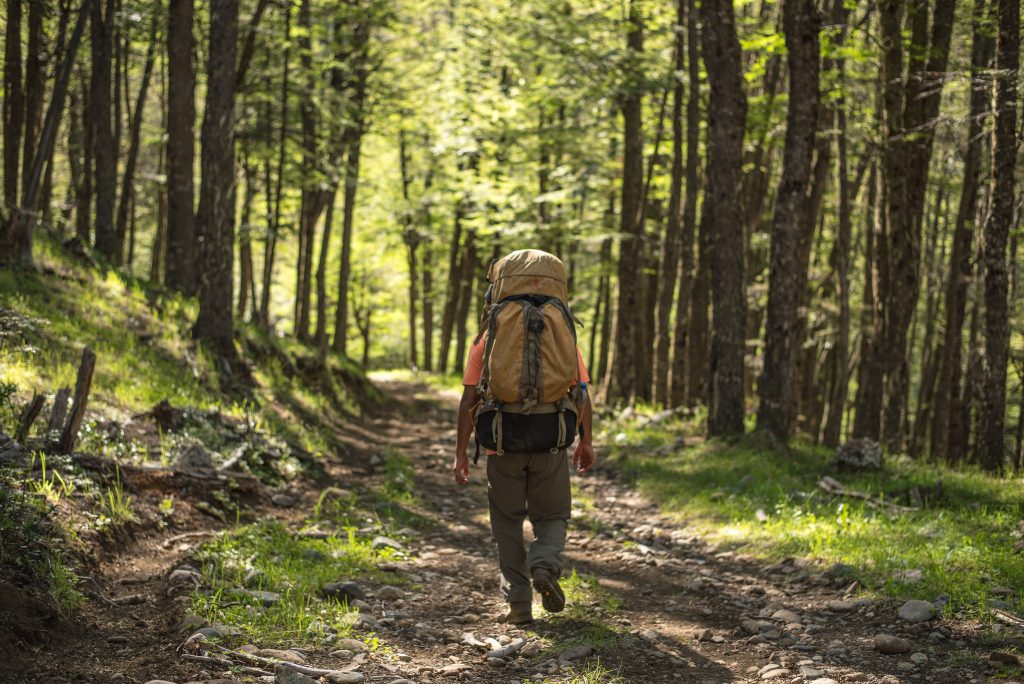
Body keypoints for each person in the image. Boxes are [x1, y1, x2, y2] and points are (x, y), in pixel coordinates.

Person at [452, 249, 596, 625]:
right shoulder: (563, 334)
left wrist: (461, 453)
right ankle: (544, 564)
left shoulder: (488, 337)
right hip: (551, 437)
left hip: (502, 441)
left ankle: (518, 605)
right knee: (552, 515)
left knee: (506, 522)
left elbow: (469, 397)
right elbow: (580, 391)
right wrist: (586, 440)